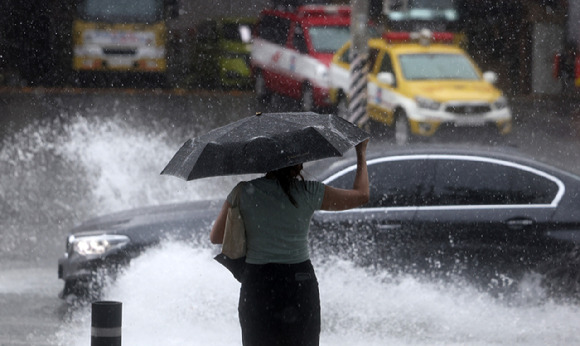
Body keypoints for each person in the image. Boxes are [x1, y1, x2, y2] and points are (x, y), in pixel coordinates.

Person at [210, 139, 369, 346]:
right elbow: (362, 196)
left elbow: (216, 237)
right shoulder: (310, 192)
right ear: (297, 162)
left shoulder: (242, 192)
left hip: (258, 284)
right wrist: (361, 153)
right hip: (299, 283)